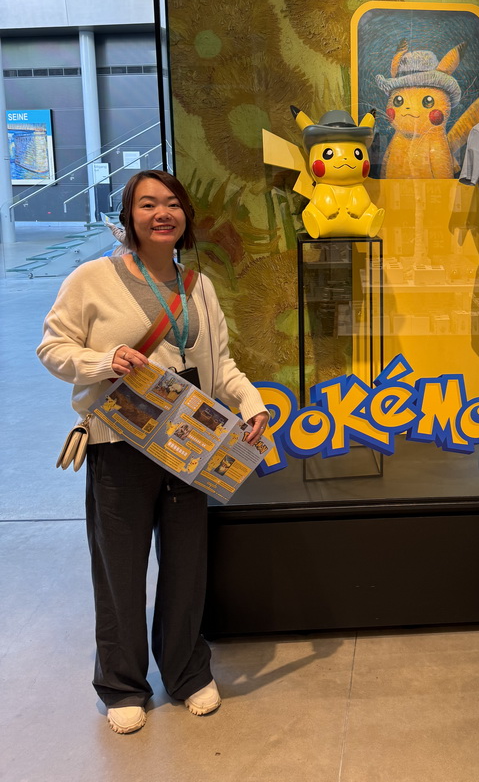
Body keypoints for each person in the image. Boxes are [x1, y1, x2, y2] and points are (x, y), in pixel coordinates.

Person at [37, 171, 269, 735]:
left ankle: (187, 673)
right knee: (119, 568)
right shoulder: (91, 279)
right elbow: (52, 345)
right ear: (129, 216)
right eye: (147, 205)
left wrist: (250, 402)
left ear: (184, 216)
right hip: (121, 443)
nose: (161, 213)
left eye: (171, 204)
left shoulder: (198, 286)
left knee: (187, 565)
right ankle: (122, 684)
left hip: (191, 443)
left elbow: (223, 364)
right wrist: (104, 360)